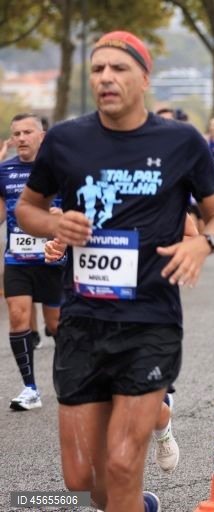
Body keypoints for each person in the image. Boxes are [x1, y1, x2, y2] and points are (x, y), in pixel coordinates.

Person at [14, 30, 214, 512]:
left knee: (120, 465)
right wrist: (54, 221)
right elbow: (27, 209)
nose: (106, 78)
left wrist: (204, 246)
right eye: (98, 70)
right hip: (82, 321)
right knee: (81, 480)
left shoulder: (181, 142)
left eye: (119, 69)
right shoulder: (67, 141)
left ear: (144, 78)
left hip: (149, 321)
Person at [0, 113, 62, 411]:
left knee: (57, 325)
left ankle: (68, 381)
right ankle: (30, 388)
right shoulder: (4, 171)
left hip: (53, 259)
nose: (21, 138)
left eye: (27, 132)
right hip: (17, 259)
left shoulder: (60, 167)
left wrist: (60, 218)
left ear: (42, 135)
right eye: (16, 134)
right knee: (17, 316)